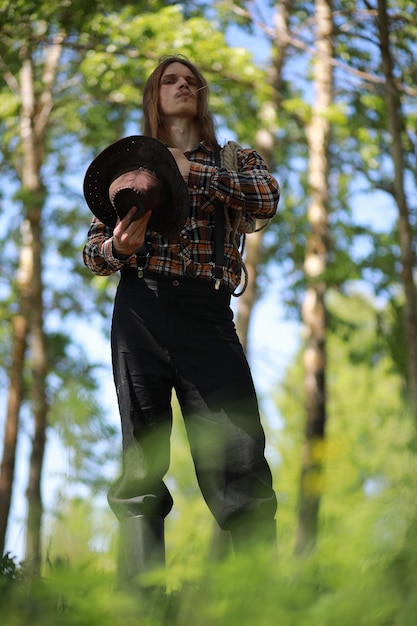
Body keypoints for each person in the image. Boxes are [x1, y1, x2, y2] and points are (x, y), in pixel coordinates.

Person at [83, 55, 279, 590]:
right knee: (141, 465)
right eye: (171, 80)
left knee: (238, 456)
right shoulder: (129, 164)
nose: (184, 85)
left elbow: (268, 198)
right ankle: (139, 605)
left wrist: (194, 171)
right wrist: (117, 247)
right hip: (140, 309)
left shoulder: (236, 158)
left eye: (192, 80)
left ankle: (261, 602)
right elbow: (92, 252)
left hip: (207, 315)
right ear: (154, 96)